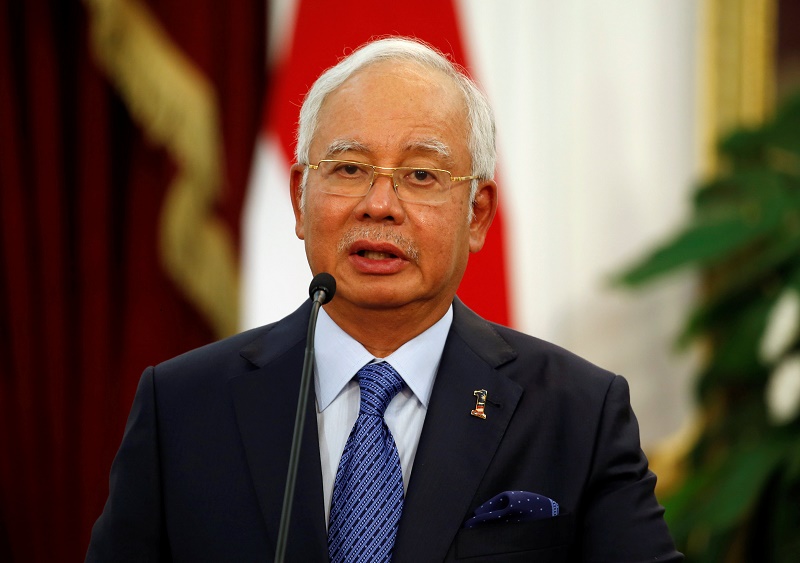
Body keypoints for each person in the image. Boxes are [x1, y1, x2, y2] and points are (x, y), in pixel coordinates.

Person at [87, 37, 682, 562]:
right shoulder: (184, 407)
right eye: (347, 168)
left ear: (477, 214)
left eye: (421, 176)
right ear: (300, 197)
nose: (379, 204)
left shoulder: (576, 413)